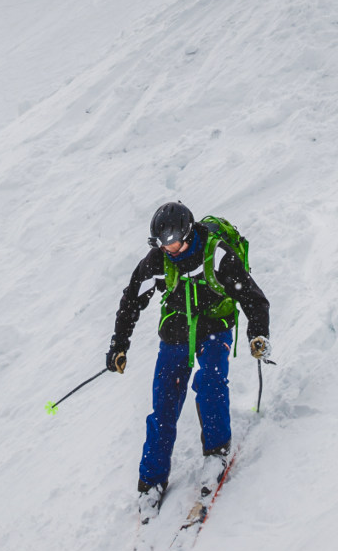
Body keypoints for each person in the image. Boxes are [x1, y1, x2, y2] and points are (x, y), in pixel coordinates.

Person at [106, 201, 271, 515]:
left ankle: (216, 452)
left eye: (173, 243)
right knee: (163, 404)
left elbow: (253, 297)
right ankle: (151, 480)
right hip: (177, 329)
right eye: (162, 244)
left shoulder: (219, 255)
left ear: (187, 232)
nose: (169, 249)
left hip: (215, 327)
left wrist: (257, 335)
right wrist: (119, 345)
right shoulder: (159, 259)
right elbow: (131, 299)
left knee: (210, 384)